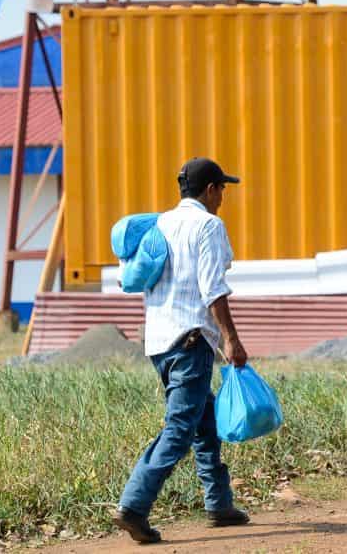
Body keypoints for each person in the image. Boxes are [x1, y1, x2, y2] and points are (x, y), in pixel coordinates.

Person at [113, 157, 251, 544]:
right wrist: (231, 339)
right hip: (190, 339)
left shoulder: (162, 223)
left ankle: (219, 503)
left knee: (204, 423)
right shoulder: (209, 225)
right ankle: (134, 506)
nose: (223, 197)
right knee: (179, 429)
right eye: (221, 189)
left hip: (159, 341)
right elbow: (213, 288)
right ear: (210, 190)